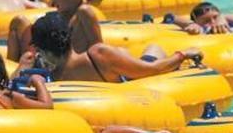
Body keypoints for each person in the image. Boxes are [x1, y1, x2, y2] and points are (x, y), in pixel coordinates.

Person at [23, 12, 201, 84]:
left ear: (41, 49)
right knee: (154, 49)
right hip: (133, 84)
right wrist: (183, 54)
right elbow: (151, 70)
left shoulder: (51, 79)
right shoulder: (97, 54)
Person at [6, 0, 103, 61]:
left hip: (68, 67)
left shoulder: (84, 12)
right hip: (53, 61)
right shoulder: (63, 15)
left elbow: (98, 49)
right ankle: (11, 67)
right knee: (18, 22)